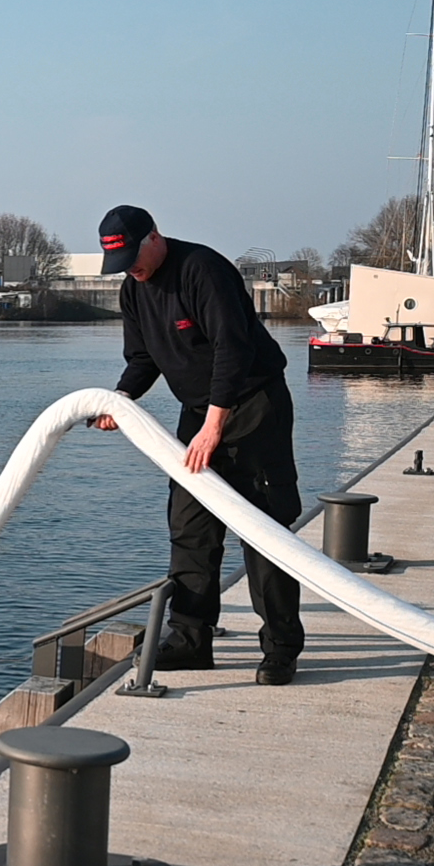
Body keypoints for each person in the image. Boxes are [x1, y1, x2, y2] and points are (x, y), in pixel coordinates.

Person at [88, 205, 306, 686]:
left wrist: (214, 425)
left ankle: (280, 648)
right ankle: (190, 640)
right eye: (121, 264)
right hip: (198, 411)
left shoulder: (202, 270)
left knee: (264, 527)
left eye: (133, 258)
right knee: (190, 528)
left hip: (252, 407)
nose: (132, 271)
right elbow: (142, 359)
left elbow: (234, 348)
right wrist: (119, 399)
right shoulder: (134, 290)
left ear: (154, 237)